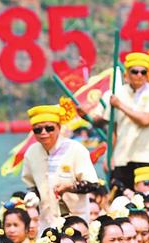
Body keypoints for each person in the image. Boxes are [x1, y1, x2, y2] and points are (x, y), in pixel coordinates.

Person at [79, 52, 149, 191]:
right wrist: (108, 156)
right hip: (121, 157)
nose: (139, 75)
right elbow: (112, 128)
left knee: (146, 198)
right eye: (135, 72)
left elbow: (146, 120)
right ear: (127, 74)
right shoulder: (116, 93)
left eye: (143, 72)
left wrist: (120, 105)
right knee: (120, 199)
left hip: (146, 157)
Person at [21, 99, 99, 231]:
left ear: (59, 127)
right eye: (38, 130)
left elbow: (93, 184)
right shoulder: (31, 153)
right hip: (46, 221)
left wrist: (70, 187)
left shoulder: (76, 149)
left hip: (75, 219)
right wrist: (32, 196)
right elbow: (32, 187)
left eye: (49, 128)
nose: (43, 133)